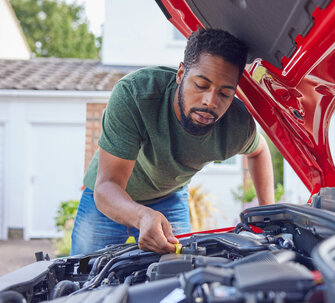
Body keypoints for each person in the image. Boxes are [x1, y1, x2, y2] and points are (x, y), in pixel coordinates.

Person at [71, 28, 274, 255]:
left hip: (169, 196)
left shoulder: (236, 125)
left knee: (176, 275)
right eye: (201, 85)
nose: (210, 102)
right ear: (180, 74)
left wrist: (266, 218)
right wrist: (142, 215)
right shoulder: (135, 96)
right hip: (110, 196)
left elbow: (259, 151)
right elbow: (108, 185)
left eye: (225, 93)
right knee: (83, 274)